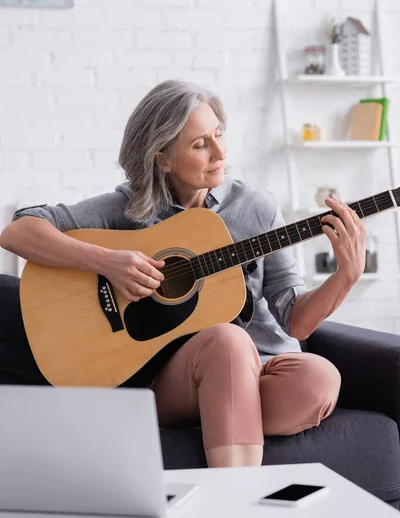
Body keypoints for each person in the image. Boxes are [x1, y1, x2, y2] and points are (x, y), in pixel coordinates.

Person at [0, 79, 367, 468]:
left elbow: (297, 322)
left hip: (262, 369)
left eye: (219, 135)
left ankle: (221, 416)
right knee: (227, 340)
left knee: (319, 379)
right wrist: (106, 261)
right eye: (199, 145)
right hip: (177, 377)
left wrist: (346, 274)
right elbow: (19, 230)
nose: (220, 152)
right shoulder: (131, 208)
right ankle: (232, 507)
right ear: (162, 158)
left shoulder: (256, 208)